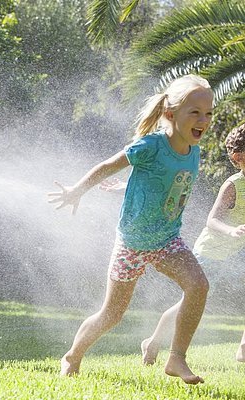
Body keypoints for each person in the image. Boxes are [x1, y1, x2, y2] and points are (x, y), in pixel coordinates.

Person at [48, 74, 213, 385]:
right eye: (195, 112)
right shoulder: (151, 145)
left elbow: (162, 185)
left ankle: (177, 358)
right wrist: (77, 190)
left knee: (199, 286)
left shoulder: (194, 151)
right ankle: (72, 356)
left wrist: (127, 189)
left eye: (208, 114)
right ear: (170, 114)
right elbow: (109, 165)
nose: (203, 120)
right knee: (112, 314)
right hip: (132, 244)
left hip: (166, 240)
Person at [141, 123, 245, 366]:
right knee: (189, 301)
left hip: (234, 251)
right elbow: (212, 220)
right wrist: (232, 231)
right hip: (211, 252)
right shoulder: (233, 186)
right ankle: (153, 341)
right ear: (239, 158)